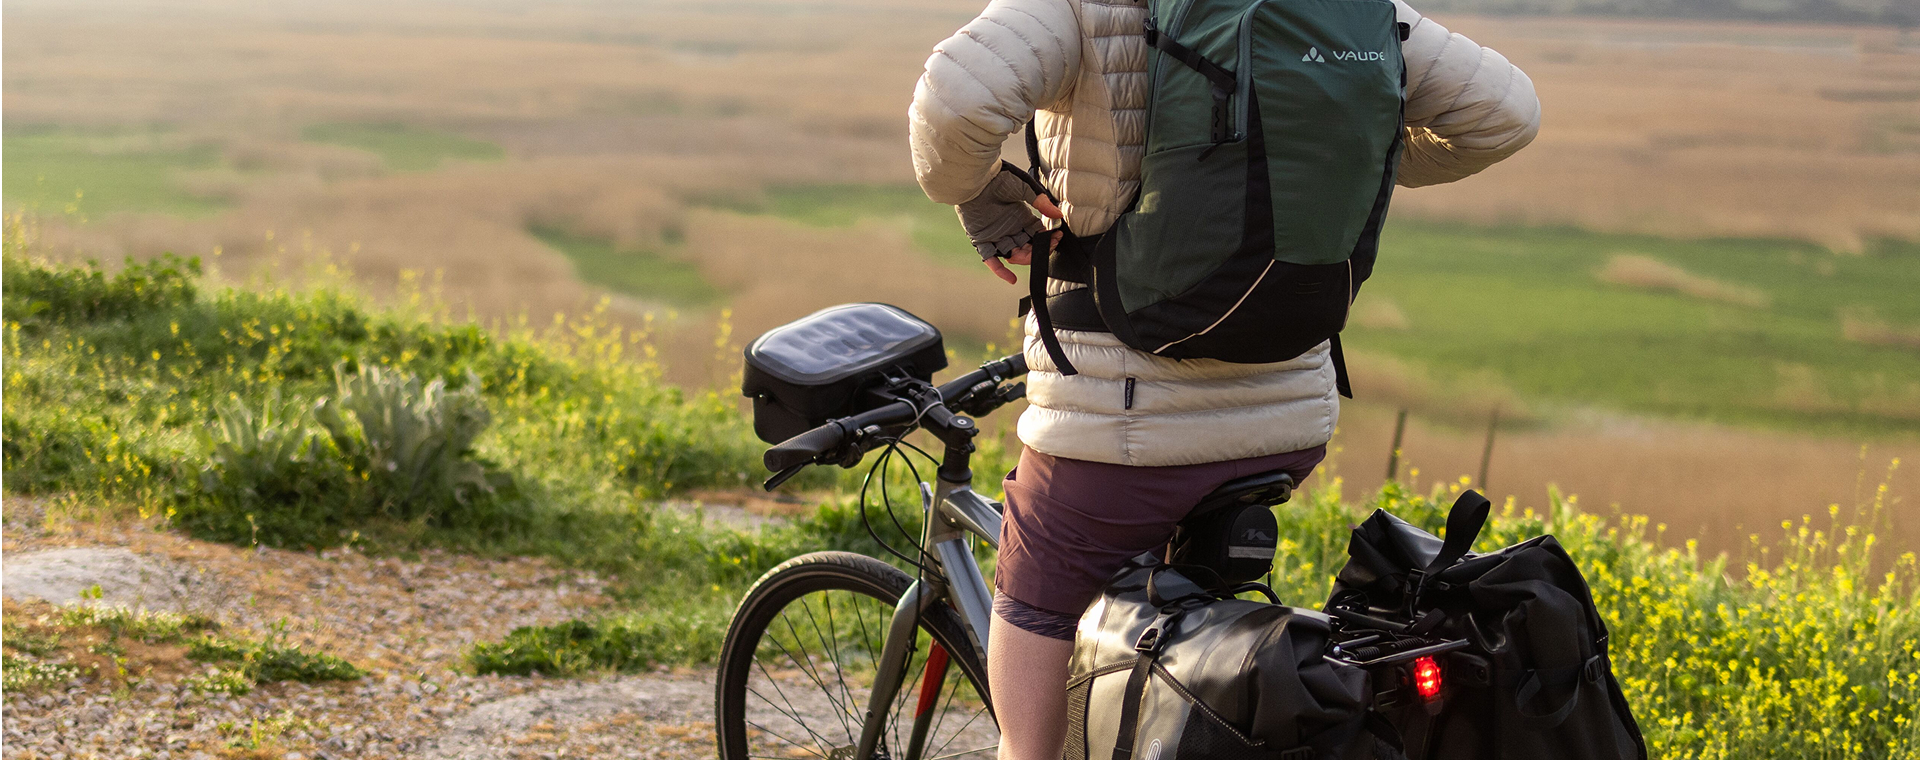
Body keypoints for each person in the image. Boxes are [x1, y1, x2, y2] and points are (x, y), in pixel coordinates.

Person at [909, 1, 1540, 758]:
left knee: (1038, 592)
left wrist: (978, 192)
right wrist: (1317, 156)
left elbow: (953, 100)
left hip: (1124, 431)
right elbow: (1505, 113)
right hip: (1288, 422)